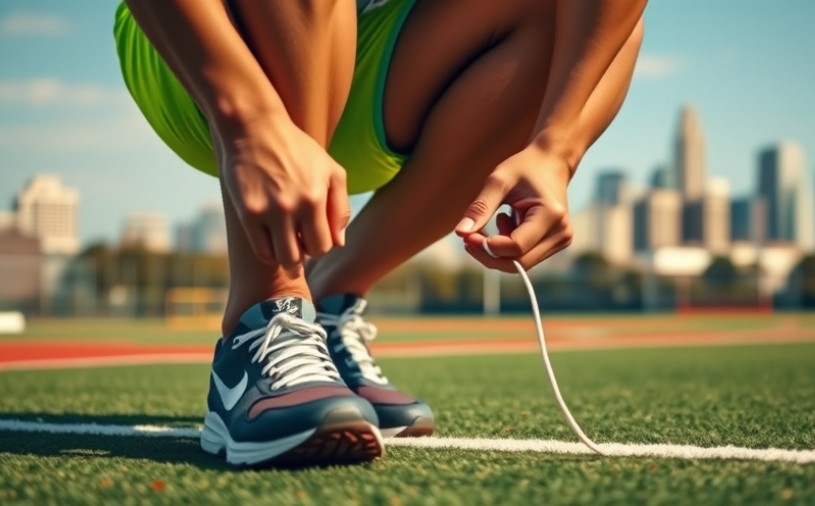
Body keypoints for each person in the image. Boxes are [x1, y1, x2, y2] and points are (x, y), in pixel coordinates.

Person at [114, 0, 646, 467]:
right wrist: (247, 119)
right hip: (197, 48)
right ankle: (263, 316)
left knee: (575, 18)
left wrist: (557, 148)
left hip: (373, 73)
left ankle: (329, 296)